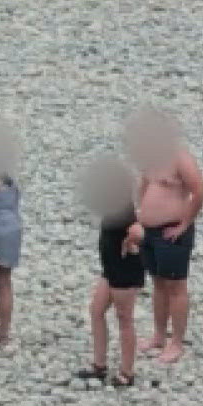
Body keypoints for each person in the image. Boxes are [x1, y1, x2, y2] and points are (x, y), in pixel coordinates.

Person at [125, 107, 203, 365]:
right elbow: (144, 186)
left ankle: (176, 343)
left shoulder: (181, 159)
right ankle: (159, 336)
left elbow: (199, 191)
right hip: (149, 231)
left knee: (176, 286)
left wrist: (185, 224)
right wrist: (139, 217)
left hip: (172, 230)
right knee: (158, 283)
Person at [77, 156, 145, 387]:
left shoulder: (127, 211)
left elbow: (140, 230)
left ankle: (127, 372)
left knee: (124, 318)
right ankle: (99, 364)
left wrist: (134, 241)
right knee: (96, 310)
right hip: (110, 268)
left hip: (125, 271)